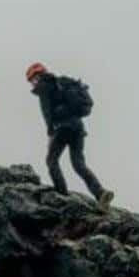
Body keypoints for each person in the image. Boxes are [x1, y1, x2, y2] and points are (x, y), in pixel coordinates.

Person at [26, 62, 114, 210]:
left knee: (51, 160)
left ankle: (61, 193)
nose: (32, 83)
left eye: (32, 80)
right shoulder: (63, 82)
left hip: (62, 128)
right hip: (78, 128)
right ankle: (100, 193)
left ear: (37, 76)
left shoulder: (44, 86)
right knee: (79, 164)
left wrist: (50, 129)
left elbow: (46, 111)